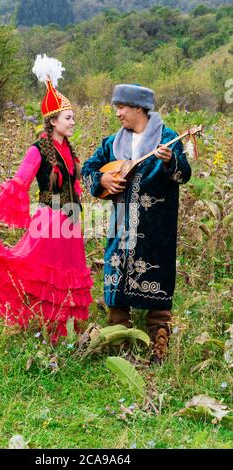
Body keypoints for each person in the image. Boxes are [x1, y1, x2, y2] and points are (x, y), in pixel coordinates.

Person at [0, 55, 93, 342]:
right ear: (52, 120)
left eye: (73, 117)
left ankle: (64, 332)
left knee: (68, 275)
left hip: (71, 224)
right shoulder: (38, 150)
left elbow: (77, 180)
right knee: (42, 275)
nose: (73, 122)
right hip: (49, 222)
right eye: (68, 118)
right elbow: (20, 183)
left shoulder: (69, 149)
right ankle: (44, 328)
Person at [81, 84, 191, 364]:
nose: (118, 113)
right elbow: (89, 170)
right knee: (117, 280)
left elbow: (183, 175)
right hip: (120, 226)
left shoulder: (167, 139)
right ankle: (120, 342)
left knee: (157, 279)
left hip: (156, 229)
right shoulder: (112, 143)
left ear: (139, 109)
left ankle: (159, 344)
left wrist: (171, 161)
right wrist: (103, 180)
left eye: (122, 107)